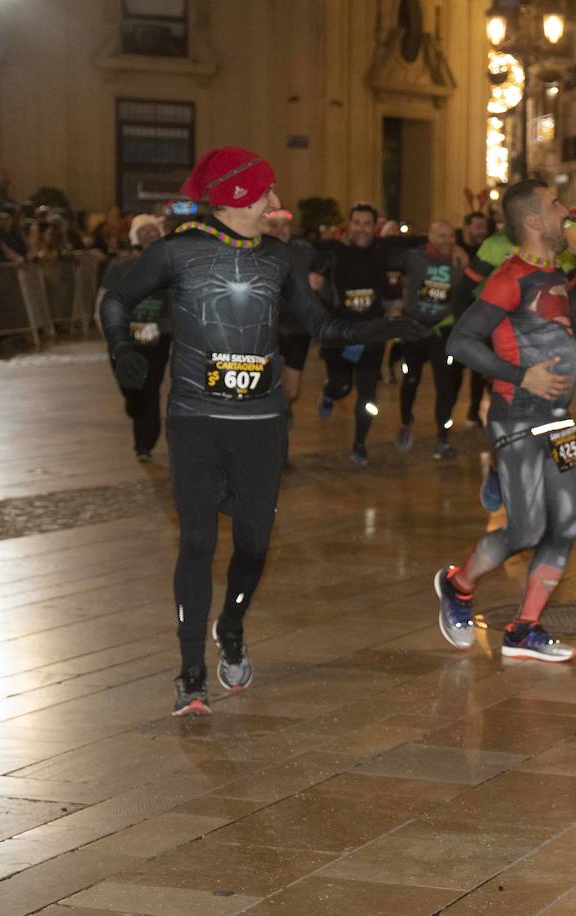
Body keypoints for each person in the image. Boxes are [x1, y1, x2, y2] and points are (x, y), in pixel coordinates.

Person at [100, 146, 425, 715]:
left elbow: (322, 325)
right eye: (267, 192)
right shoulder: (175, 253)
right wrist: (121, 348)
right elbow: (115, 301)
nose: (277, 203)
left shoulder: (278, 259)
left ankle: (231, 625)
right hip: (196, 421)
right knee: (197, 542)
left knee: (253, 543)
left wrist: (383, 327)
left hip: (262, 424)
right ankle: (191, 674)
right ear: (237, 197)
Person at [435, 179, 576, 662]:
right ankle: (458, 584)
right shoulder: (508, 277)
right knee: (527, 529)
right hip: (517, 417)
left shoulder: (559, 273)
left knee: (569, 523)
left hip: (561, 420)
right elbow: (460, 342)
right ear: (533, 221)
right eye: (556, 205)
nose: (565, 212)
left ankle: (524, 628)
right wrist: (522, 376)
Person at [310, 203, 409, 465]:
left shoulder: (383, 251)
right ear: (349, 225)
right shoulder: (335, 250)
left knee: (368, 396)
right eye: (357, 223)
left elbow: (416, 244)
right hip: (339, 335)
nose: (362, 229)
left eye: (367, 224)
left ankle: (360, 443)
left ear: (374, 227)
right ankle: (329, 393)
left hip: (371, 336)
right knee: (342, 387)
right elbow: (305, 251)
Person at [99, 214, 170, 461]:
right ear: (135, 237)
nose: (149, 235)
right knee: (131, 387)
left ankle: (144, 445)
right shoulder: (120, 265)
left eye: (153, 231)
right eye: (144, 231)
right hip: (124, 334)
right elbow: (104, 298)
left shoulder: (171, 266)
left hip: (157, 333)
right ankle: (133, 404)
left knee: (150, 388)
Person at [398, 219, 466, 459]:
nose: (447, 241)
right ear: (429, 237)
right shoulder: (413, 258)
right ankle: (406, 421)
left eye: (450, 236)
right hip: (414, 329)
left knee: (445, 386)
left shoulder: (460, 261)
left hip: (442, 330)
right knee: (411, 379)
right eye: (441, 236)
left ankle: (443, 437)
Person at [265, 209, 317, 426]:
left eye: (283, 225)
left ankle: (285, 407)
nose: (279, 230)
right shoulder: (257, 250)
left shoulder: (304, 250)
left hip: (297, 329)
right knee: (271, 383)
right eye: (273, 225)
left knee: (292, 390)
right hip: (269, 328)